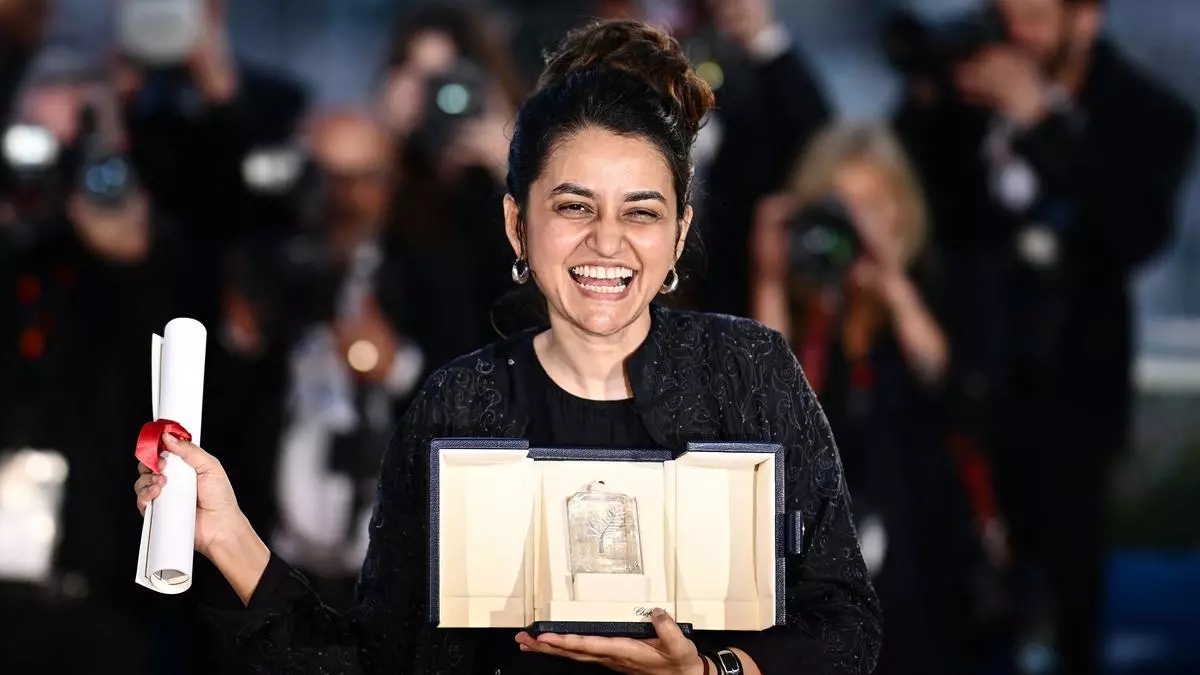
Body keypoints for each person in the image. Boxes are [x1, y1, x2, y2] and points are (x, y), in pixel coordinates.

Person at [134, 19, 881, 675]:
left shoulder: (748, 371)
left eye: (641, 213)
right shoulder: (458, 405)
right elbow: (380, 661)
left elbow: (846, 624)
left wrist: (711, 672)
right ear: (517, 225)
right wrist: (228, 536)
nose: (607, 242)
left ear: (679, 233)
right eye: (574, 207)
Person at [892, 0, 1197, 672]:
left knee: (1064, 607)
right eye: (1003, 15)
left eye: (1032, 18)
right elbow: (911, 203)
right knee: (942, 599)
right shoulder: (960, 97)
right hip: (959, 380)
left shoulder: (1150, 112)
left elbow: (1131, 232)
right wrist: (931, 97)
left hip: (1072, 396)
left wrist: (1040, 122)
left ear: (1084, 21)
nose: (1013, 35)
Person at [750, 122, 985, 674]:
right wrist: (769, 277)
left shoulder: (937, 286)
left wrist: (892, 282)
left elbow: (945, 380)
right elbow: (765, 406)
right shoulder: (810, 309)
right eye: (840, 205)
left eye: (872, 205)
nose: (855, 223)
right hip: (819, 555)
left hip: (922, 548)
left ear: (903, 210)